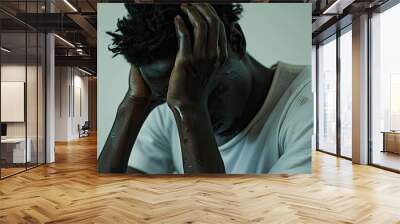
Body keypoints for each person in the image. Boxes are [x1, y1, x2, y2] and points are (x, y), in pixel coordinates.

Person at [97, 3, 313, 174]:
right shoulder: (172, 107)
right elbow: (109, 207)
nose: (204, 117)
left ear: (236, 42)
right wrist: (133, 105)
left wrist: (190, 108)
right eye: (170, 96)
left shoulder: (308, 105)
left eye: (206, 85)